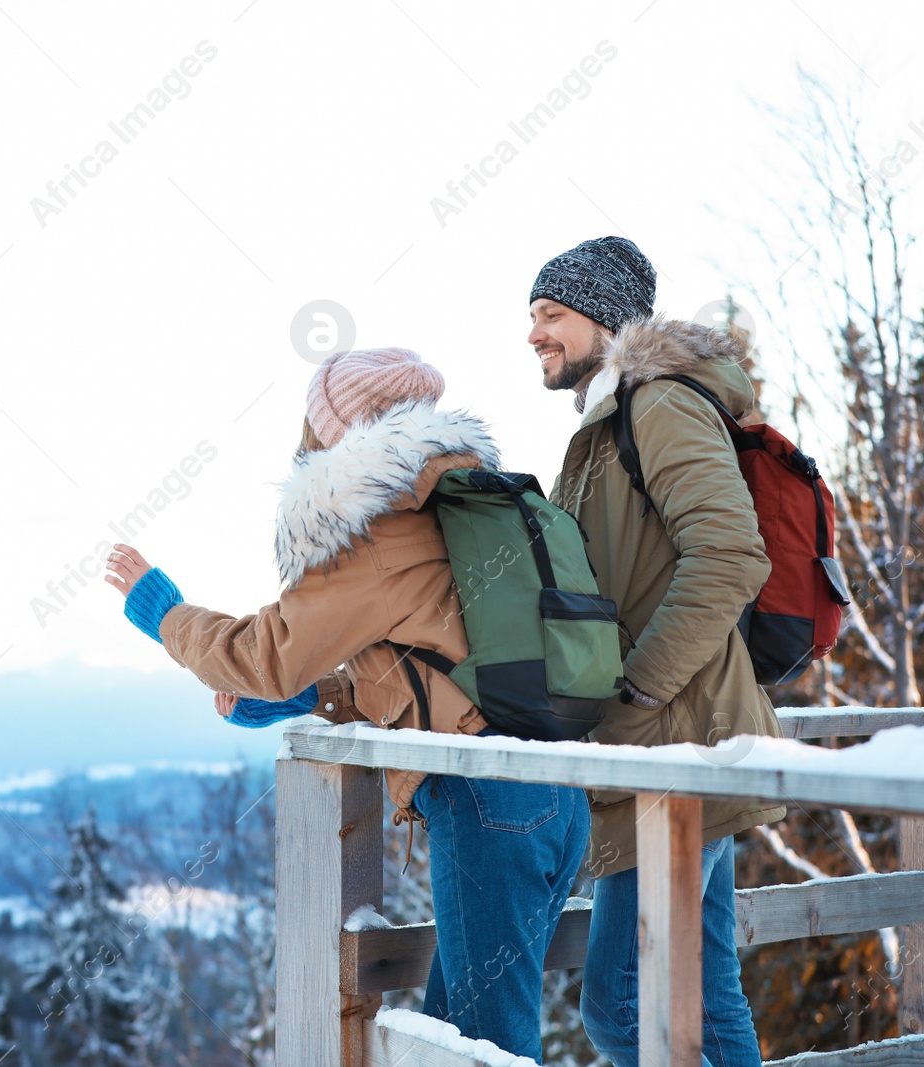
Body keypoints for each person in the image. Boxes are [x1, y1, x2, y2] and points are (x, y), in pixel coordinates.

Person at [104, 348, 589, 1062]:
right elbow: (424, 664)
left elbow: (264, 654)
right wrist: (310, 698)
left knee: (488, 1048)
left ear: (334, 431)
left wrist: (164, 611)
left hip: (487, 801)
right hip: (555, 792)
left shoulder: (373, 528)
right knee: (454, 1039)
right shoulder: (464, 503)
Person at [528, 236, 784, 1067]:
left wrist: (637, 688)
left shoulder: (657, 406)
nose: (534, 333)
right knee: (706, 1001)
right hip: (670, 747)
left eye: (551, 314)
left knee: (616, 1007)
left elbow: (732, 554)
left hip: (672, 749)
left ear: (604, 319)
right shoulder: (608, 425)